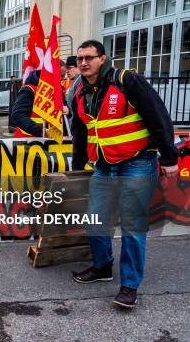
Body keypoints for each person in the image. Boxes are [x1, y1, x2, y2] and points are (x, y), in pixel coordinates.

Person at [70, 40, 179, 309]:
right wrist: (77, 165)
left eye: (89, 57)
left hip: (137, 163)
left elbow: (159, 117)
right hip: (104, 165)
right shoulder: (80, 91)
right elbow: (82, 131)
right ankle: (102, 267)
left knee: (132, 226)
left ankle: (129, 286)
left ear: (102, 58)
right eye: (80, 58)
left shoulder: (127, 80)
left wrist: (168, 157)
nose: (83, 63)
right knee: (96, 218)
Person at [10, 67, 69, 138]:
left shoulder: (58, 90)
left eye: (63, 76)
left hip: (53, 141)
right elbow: (18, 115)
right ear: (49, 73)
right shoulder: (29, 90)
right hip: (29, 141)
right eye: (60, 76)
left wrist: (67, 110)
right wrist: (40, 131)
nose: (62, 79)